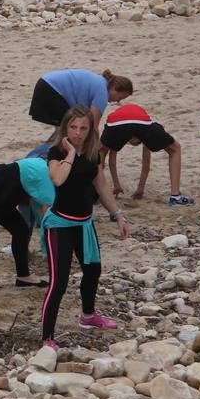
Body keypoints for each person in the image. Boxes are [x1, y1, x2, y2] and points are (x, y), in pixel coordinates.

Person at [40, 107, 128, 349]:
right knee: (59, 281)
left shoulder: (92, 153)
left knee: (93, 270)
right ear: (65, 128)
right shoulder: (56, 151)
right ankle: (47, 337)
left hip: (84, 224)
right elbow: (58, 179)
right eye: (73, 127)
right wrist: (70, 152)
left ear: (91, 130)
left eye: (83, 128)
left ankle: (88, 317)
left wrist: (117, 214)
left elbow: (101, 186)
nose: (78, 133)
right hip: (59, 226)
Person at [0, 158, 53, 304]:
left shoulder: (42, 170)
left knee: (21, 231)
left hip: (3, 199)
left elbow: (35, 206)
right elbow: (47, 216)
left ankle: (23, 277)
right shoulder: (46, 178)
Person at [99, 103, 194, 206]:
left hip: (116, 123)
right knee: (175, 148)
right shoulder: (144, 133)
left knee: (101, 152)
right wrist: (139, 188)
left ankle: (97, 193)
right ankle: (175, 196)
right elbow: (146, 165)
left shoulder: (119, 137)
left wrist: (119, 185)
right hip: (140, 122)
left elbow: (112, 161)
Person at [28, 68, 133, 130]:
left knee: (66, 127)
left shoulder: (100, 82)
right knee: (71, 127)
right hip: (51, 89)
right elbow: (92, 126)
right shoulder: (102, 93)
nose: (118, 101)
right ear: (114, 89)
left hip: (45, 82)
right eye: (120, 97)